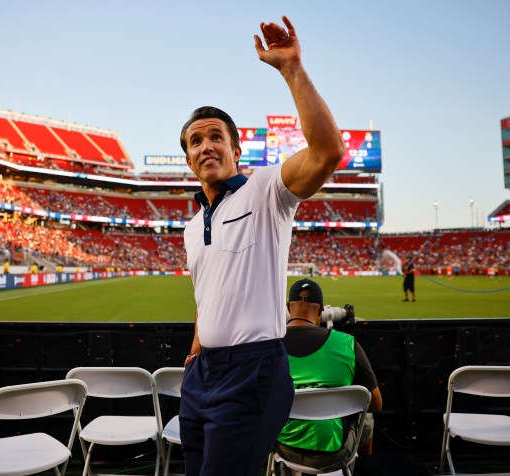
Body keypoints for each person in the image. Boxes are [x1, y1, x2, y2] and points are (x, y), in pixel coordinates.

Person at [179, 16, 346, 476]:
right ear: (189, 158)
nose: (206, 146)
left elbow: (328, 151)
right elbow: (206, 295)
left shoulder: (265, 189)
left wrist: (291, 68)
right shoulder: (193, 227)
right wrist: (197, 347)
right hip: (202, 373)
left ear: (236, 150)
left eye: (216, 137)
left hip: (254, 370)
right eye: (196, 141)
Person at [276, 279, 382, 473]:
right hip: (335, 453)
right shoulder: (347, 344)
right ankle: (366, 468)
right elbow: (376, 404)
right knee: (367, 415)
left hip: (284, 448)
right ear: (321, 310)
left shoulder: (270, 346)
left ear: (287, 308)